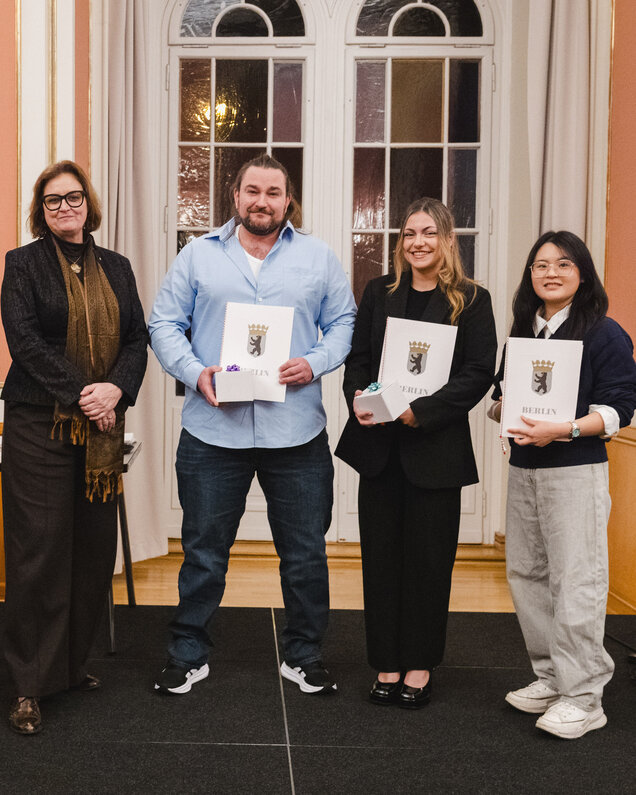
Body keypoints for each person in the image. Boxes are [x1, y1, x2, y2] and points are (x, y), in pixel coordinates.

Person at [149, 154, 356, 696]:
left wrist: (314, 361)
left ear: (289, 200)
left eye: (274, 192)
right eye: (252, 191)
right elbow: (164, 322)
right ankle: (188, 652)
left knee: (306, 552)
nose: (262, 201)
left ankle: (304, 654)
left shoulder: (319, 258)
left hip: (297, 431)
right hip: (213, 431)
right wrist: (196, 374)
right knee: (203, 550)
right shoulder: (197, 256)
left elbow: (344, 322)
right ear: (235, 196)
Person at [1, 160, 148, 735]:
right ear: (40, 210)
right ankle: (26, 684)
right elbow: (24, 341)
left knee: (90, 550)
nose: (65, 207)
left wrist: (117, 388)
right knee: (39, 552)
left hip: (102, 426)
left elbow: (136, 337)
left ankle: (67, 666)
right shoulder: (23, 263)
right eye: (53, 200)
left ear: (89, 203)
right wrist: (84, 393)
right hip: (42, 422)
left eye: (74, 197)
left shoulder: (116, 266)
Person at [335, 198, 497, 708]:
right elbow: (358, 359)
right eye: (409, 233)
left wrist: (418, 412)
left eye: (428, 232)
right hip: (379, 450)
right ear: (400, 241)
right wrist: (360, 399)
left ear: (448, 239)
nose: (418, 242)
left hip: (436, 451)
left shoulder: (473, 299)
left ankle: (420, 665)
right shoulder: (379, 292)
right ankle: (386, 661)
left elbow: (478, 372)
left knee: (428, 563)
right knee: (381, 561)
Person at [490, 230, 636, 739]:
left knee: (577, 581)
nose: (550, 272)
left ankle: (584, 696)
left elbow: (619, 408)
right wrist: (500, 409)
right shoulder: (523, 335)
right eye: (540, 265)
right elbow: (497, 397)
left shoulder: (604, 333)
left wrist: (566, 427)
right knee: (527, 576)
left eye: (563, 264)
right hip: (524, 471)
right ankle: (551, 678)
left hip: (576, 470)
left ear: (582, 274)